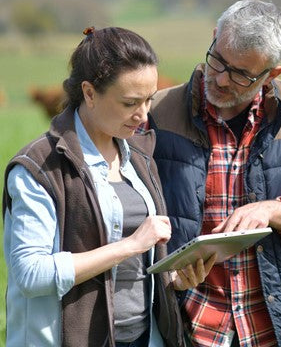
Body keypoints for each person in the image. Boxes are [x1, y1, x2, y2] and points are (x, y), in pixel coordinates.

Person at [148, 0, 281, 347]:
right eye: (219, 61)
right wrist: (168, 273)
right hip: (193, 321)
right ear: (214, 38)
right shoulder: (158, 113)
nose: (222, 79)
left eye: (242, 74)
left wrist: (276, 211)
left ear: (272, 74)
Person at [2, 26, 213, 347]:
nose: (143, 116)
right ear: (89, 93)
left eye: (149, 100)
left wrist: (173, 277)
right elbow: (31, 273)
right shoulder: (41, 166)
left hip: (145, 337)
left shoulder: (140, 154)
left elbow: (138, 264)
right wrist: (130, 245)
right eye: (130, 102)